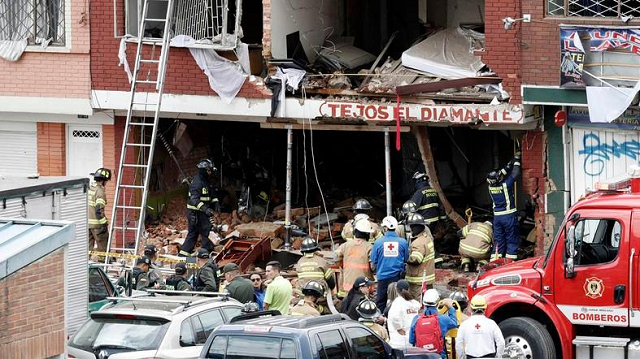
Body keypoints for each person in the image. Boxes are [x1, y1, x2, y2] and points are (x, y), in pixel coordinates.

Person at [486, 149, 521, 260]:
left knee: (499, 239)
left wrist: (510, 163)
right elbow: (515, 173)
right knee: (511, 238)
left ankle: (495, 260)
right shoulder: (505, 185)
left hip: (497, 218)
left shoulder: (491, 187)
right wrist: (517, 161)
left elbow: (501, 173)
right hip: (508, 216)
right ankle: (510, 261)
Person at [180, 159, 220, 256]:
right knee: (206, 233)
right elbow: (194, 200)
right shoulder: (197, 183)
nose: (210, 173)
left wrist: (216, 203)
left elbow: (211, 194)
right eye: (208, 170)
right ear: (203, 170)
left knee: (193, 234)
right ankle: (204, 255)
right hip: (196, 213)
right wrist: (205, 209)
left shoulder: (206, 181)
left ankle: (183, 255)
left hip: (201, 213)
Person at [370, 216, 409, 313]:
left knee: (381, 301)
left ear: (385, 228)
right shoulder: (403, 242)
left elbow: (374, 260)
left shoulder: (378, 242)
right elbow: (406, 259)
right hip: (397, 277)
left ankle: (381, 320)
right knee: (397, 301)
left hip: (382, 277)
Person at [409, 289, 458, 358]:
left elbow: (411, 340)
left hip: (422, 356)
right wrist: (450, 307)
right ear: (437, 303)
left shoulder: (416, 319)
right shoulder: (443, 319)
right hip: (439, 355)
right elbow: (454, 323)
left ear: (423, 303)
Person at [455, 295, 505, 359]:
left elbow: (459, 344)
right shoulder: (492, 324)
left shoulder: (464, 325)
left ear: (471, 308)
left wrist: (461, 357)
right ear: (485, 308)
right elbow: (501, 343)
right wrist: (498, 356)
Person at [336, 219, 374, 297]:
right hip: (364, 287)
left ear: (355, 231)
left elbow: (335, 258)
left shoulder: (345, 245)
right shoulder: (370, 247)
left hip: (347, 287)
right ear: (368, 234)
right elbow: (373, 267)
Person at [405, 213, 436, 300]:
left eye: (411, 227)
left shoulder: (418, 243)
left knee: (417, 303)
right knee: (429, 300)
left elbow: (415, 260)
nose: (410, 229)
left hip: (418, 280)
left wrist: (404, 258)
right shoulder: (427, 238)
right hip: (427, 278)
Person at [387, 279, 420, 350]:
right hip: (411, 340)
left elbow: (394, 317)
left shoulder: (398, 302)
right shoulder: (413, 303)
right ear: (408, 289)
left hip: (398, 341)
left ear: (396, 289)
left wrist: (398, 328)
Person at [88, 168, 111, 261]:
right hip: (97, 226)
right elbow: (98, 210)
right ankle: (102, 265)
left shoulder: (90, 188)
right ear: (103, 181)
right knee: (103, 249)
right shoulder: (100, 192)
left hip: (88, 225)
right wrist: (104, 224)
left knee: (88, 249)